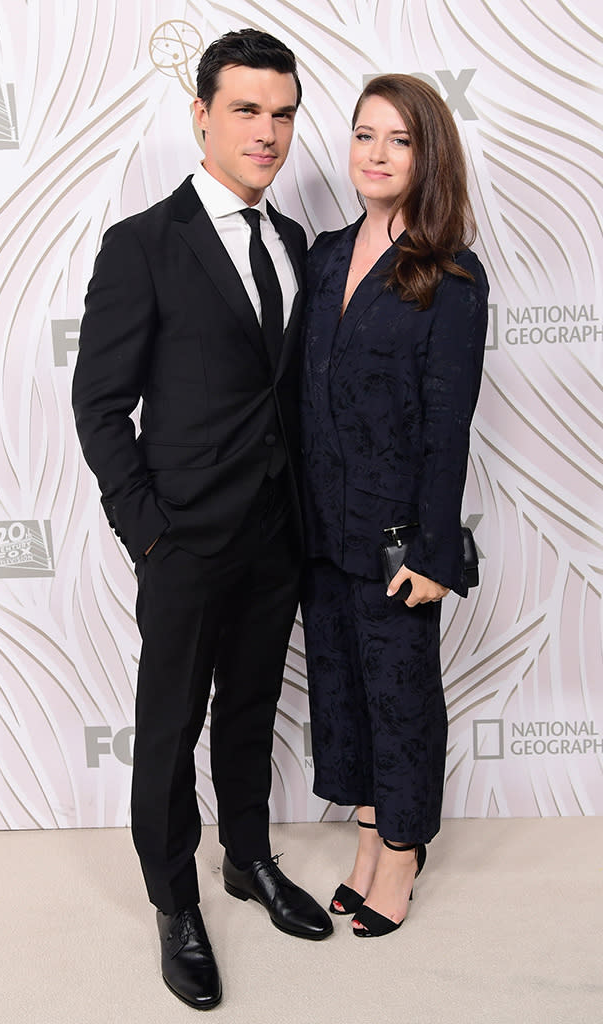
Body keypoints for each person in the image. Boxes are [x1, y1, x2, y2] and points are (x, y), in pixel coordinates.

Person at [72, 28, 332, 1011]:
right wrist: (147, 526)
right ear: (202, 116)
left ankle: (246, 862)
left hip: (273, 536)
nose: (265, 132)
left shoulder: (293, 242)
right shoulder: (142, 245)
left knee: (251, 713)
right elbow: (100, 405)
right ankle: (173, 901)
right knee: (169, 727)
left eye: (281, 113)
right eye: (244, 111)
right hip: (181, 538)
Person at [300, 74, 489, 939]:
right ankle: (370, 832)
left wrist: (434, 554)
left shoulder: (450, 273)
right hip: (319, 526)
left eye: (398, 140)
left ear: (428, 154)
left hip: (394, 539)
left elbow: (450, 429)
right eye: (364, 135)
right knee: (341, 689)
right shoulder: (327, 252)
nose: (375, 155)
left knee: (402, 695)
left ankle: (404, 852)